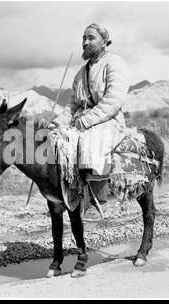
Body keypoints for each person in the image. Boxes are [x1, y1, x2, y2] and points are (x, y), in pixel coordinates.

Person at [48, 23, 129, 216]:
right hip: (82, 120)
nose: (85, 42)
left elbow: (113, 100)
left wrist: (85, 121)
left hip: (108, 120)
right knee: (56, 139)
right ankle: (68, 195)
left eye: (91, 38)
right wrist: (59, 122)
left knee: (91, 140)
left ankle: (98, 199)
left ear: (104, 42)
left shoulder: (114, 64)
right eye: (83, 38)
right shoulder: (79, 74)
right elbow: (72, 106)